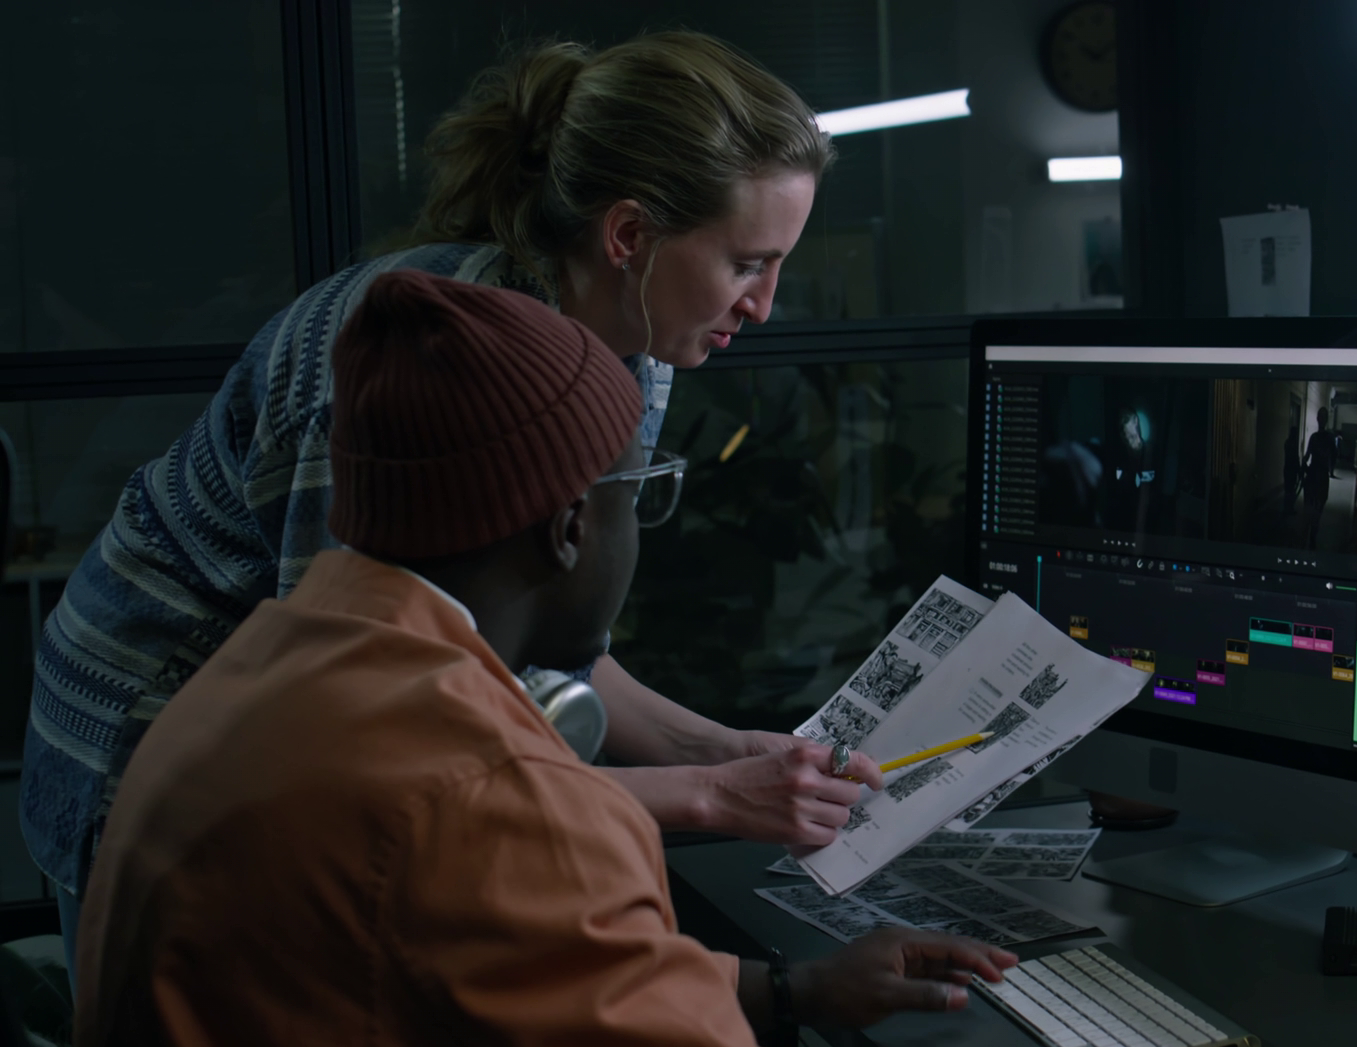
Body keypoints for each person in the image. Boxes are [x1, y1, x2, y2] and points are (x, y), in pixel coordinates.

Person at [72, 272, 1256, 1047]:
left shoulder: (270, 662)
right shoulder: (490, 798)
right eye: (642, 495)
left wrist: (789, 993)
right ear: (568, 529)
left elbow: (502, 981)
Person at [22, 31, 879, 983]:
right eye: (746, 265)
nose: (763, 307)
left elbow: (554, 644)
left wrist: (734, 752)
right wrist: (711, 795)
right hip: (155, 735)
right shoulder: (420, 357)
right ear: (629, 237)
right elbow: (361, 728)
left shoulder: (635, 337)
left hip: (321, 741)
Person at [1299, 406, 1337, 547]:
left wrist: (1304, 463)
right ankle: (1311, 540)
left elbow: (1308, 455)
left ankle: (1309, 540)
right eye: (1321, 417)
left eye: (1322, 417)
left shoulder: (1317, 438)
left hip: (1315, 477)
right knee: (1314, 513)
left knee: (1310, 512)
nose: (1321, 419)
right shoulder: (1328, 438)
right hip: (1319, 478)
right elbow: (1333, 459)